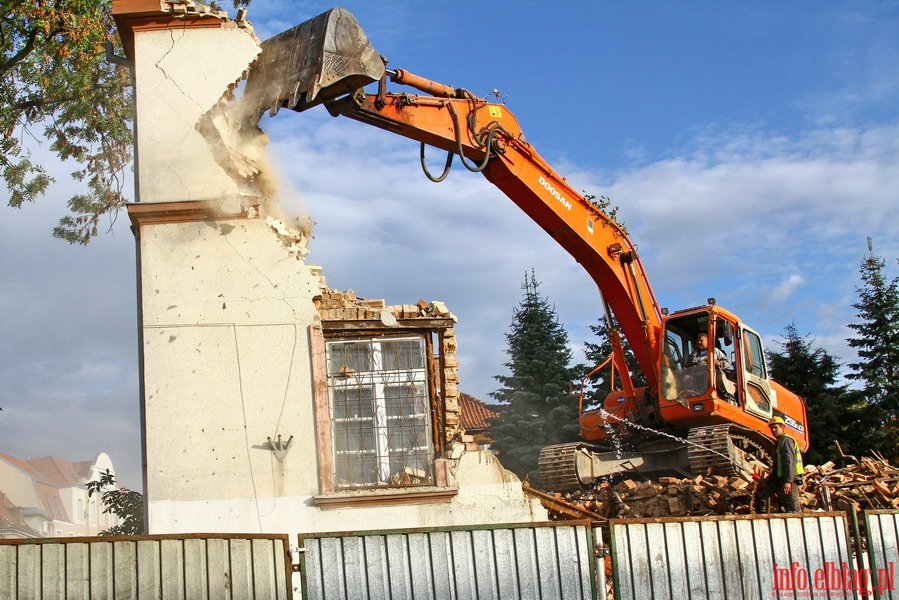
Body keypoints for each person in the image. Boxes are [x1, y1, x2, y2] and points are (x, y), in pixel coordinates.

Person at [760, 416, 803, 512]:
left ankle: (797, 523)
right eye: (772, 428)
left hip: (790, 479)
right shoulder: (779, 442)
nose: (774, 430)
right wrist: (769, 479)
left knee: (792, 507)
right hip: (781, 479)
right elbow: (778, 465)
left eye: (776, 427)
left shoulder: (786, 440)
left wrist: (788, 481)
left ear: (783, 428)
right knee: (763, 491)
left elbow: (789, 461)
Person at [686, 333, 734, 400]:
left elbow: (727, 363)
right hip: (695, 376)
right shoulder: (693, 354)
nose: (699, 342)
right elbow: (688, 366)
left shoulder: (715, 351)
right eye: (698, 341)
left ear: (707, 341)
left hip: (709, 374)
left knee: (707, 374)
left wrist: (719, 363)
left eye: (701, 341)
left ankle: (707, 393)